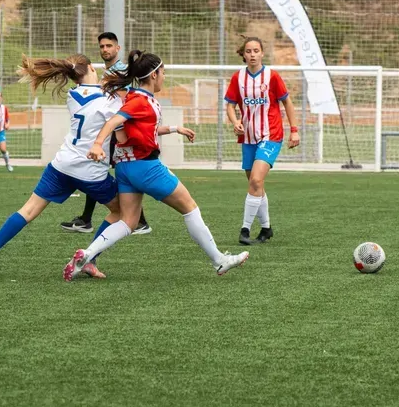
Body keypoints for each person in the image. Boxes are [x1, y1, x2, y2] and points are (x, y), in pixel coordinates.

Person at [62, 50, 250, 281]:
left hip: (126, 168)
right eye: (163, 72)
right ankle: (220, 261)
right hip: (146, 167)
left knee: (129, 221)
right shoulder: (140, 101)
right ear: (153, 75)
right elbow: (114, 121)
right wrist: (98, 143)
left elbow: (140, 128)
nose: (164, 77)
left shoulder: (135, 97)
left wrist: (174, 129)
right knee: (190, 207)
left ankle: (87, 254)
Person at [0, 55, 124, 280]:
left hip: (61, 165)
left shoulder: (73, 95)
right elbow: (122, 120)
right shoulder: (110, 101)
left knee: (27, 211)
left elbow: (91, 93)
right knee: (123, 212)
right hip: (90, 171)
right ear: (91, 69)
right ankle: (90, 258)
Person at [60, 31, 152, 237]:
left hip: (118, 130)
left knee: (113, 171)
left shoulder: (119, 71)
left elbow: (122, 100)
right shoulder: (106, 73)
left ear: (117, 49)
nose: (105, 50)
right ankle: (88, 219)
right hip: (111, 130)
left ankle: (139, 221)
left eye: (109, 46)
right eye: (102, 46)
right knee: (98, 170)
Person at [225, 36, 300, 246]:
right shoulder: (237, 78)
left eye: (256, 51)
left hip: (271, 135)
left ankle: (244, 230)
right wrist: (235, 121)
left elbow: (288, 102)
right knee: (254, 184)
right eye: (248, 51)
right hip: (248, 137)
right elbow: (230, 105)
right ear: (244, 54)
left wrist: (294, 131)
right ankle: (266, 228)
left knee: (256, 180)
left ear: (262, 53)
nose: (252, 55)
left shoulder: (272, 76)